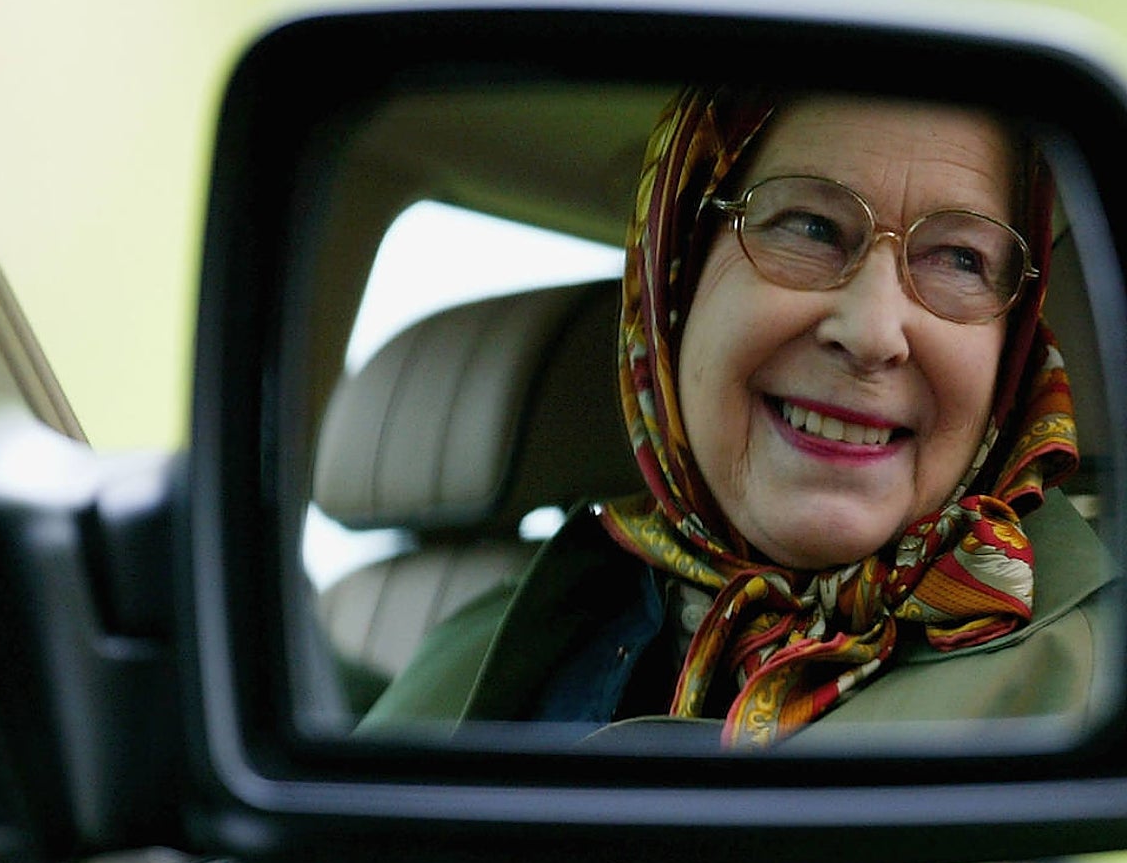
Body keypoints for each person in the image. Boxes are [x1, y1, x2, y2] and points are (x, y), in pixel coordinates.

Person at [362, 86, 1115, 747]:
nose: (875, 332)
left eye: (958, 259)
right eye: (811, 228)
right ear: (676, 282)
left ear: (1012, 343)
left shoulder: (1095, 687)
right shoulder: (504, 637)